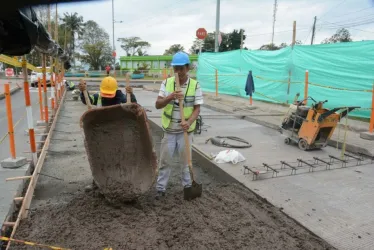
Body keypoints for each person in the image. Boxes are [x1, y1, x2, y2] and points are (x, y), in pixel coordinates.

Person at [154, 51, 203, 199]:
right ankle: (160, 189)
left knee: (186, 161)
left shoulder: (195, 85)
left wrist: (188, 122)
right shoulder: (166, 83)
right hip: (169, 130)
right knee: (165, 161)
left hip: (184, 132)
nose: (178, 72)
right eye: (176, 68)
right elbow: (157, 105)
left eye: (182, 68)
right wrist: (171, 96)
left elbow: (197, 108)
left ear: (188, 68)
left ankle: (188, 187)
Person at [78, 76, 137, 192]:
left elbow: (133, 106)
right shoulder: (98, 97)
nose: (108, 97)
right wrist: (83, 91)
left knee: (119, 159)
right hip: (102, 133)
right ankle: (97, 183)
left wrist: (132, 95)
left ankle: (123, 183)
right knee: (99, 159)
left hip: (118, 133)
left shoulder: (121, 98)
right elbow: (87, 99)